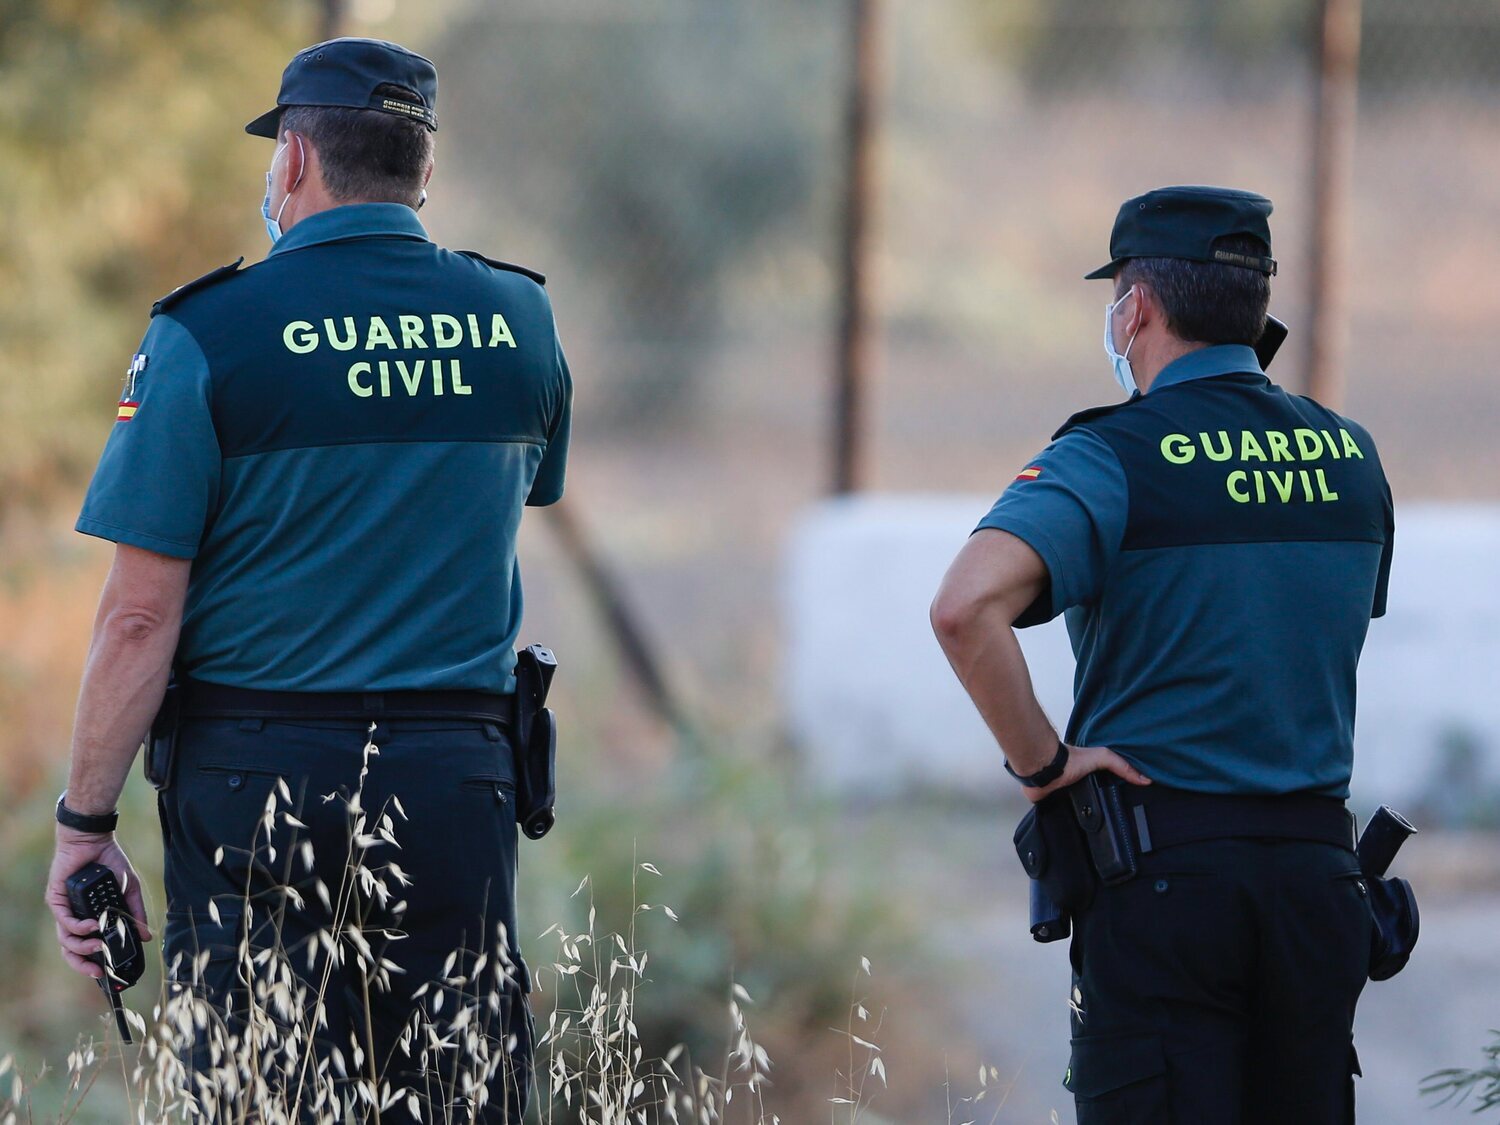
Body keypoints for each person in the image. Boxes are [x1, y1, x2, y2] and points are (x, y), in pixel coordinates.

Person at [45, 37, 570, 1122]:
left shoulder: (204, 333)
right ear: (423, 170)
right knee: (455, 1092)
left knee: (255, 1092)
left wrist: (83, 824)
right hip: (453, 787)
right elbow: (511, 500)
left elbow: (140, 617)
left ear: (291, 160)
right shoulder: (521, 322)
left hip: (252, 785)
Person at [931, 185, 1393, 1123]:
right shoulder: (1351, 456)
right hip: (1318, 889)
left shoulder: (1111, 456)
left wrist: (1046, 767)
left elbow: (964, 607)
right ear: (1257, 309)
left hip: (1164, 891)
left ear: (1135, 308)